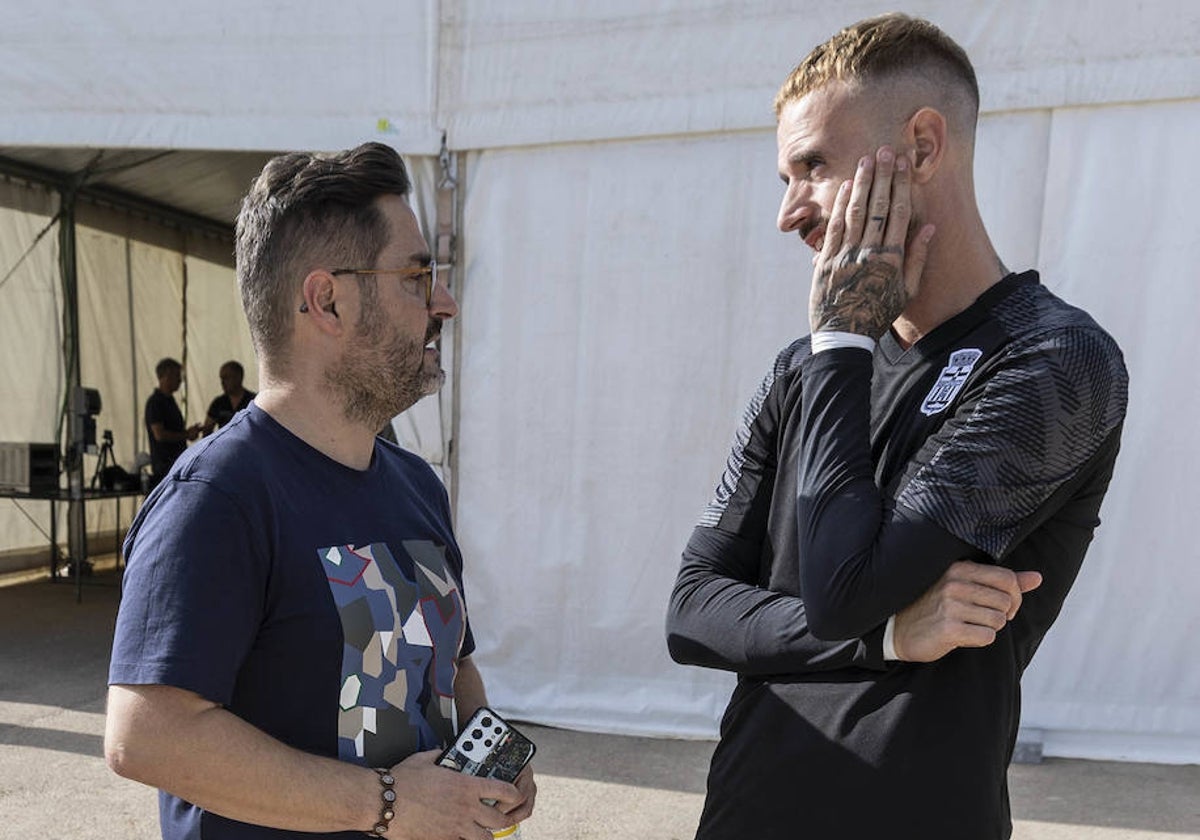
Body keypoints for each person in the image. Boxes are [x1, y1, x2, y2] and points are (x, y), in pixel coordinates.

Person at [665, 13, 1127, 840]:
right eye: (784, 178)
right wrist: (888, 636)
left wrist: (843, 335)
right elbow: (692, 609)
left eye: (813, 167)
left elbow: (843, 590)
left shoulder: (1056, 359)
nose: (789, 212)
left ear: (920, 146)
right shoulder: (800, 369)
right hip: (744, 814)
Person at [106, 143, 536, 840]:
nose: (445, 303)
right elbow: (146, 735)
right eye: (417, 276)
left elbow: (451, 667)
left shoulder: (417, 484)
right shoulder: (217, 498)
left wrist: (495, 753)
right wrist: (388, 802)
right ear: (327, 300)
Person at [144, 357, 201, 491]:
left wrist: (188, 433)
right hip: (164, 466)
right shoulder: (155, 403)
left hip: (176, 462)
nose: (180, 380)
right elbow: (160, 434)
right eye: (177, 376)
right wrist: (186, 435)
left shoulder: (170, 401)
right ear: (165, 376)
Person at [200, 360, 257, 435]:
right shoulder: (218, 403)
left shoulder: (253, 401)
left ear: (238, 377)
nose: (222, 382)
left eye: (226, 378)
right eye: (221, 378)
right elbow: (207, 430)